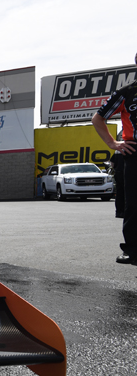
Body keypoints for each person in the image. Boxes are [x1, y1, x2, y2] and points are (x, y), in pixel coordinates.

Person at [92, 52, 137, 264]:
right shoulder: (126, 92)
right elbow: (98, 118)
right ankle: (132, 250)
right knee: (133, 203)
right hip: (134, 152)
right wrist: (112, 143)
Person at [111, 151, 124, 218]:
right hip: (128, 173)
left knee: (119, 193)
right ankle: (125, 212)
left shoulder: (117, 151)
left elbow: (112, 164)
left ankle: (119, 212)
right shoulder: (131, 149)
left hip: (118, 173)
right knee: (128, 193)